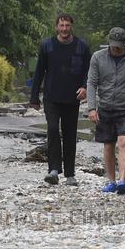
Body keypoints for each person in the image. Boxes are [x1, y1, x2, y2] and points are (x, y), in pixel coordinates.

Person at [86, 27, 125, 195]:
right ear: (109, 42)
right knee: (108, 145)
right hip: (105, 107)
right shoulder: (97, 58)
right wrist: (91, 108)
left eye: (119, 46)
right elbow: (92, 83)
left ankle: (122, 180)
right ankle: (111, 181)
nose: (115, 48)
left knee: (123, 142)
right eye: (113, 45)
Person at [29, 13, 91, 186]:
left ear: (71, 27)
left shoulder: (82, 46)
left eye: (67, 26)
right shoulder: (47, 45)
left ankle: (70, 174)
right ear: (56, 27)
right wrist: (34, 97)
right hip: (52, 97)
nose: (64, 29)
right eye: (61, 25)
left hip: (72, 98)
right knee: (53, 129)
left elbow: (89, 71)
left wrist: (85, 87)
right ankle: (53, 170)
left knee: (70, 135)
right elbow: (39, 72)